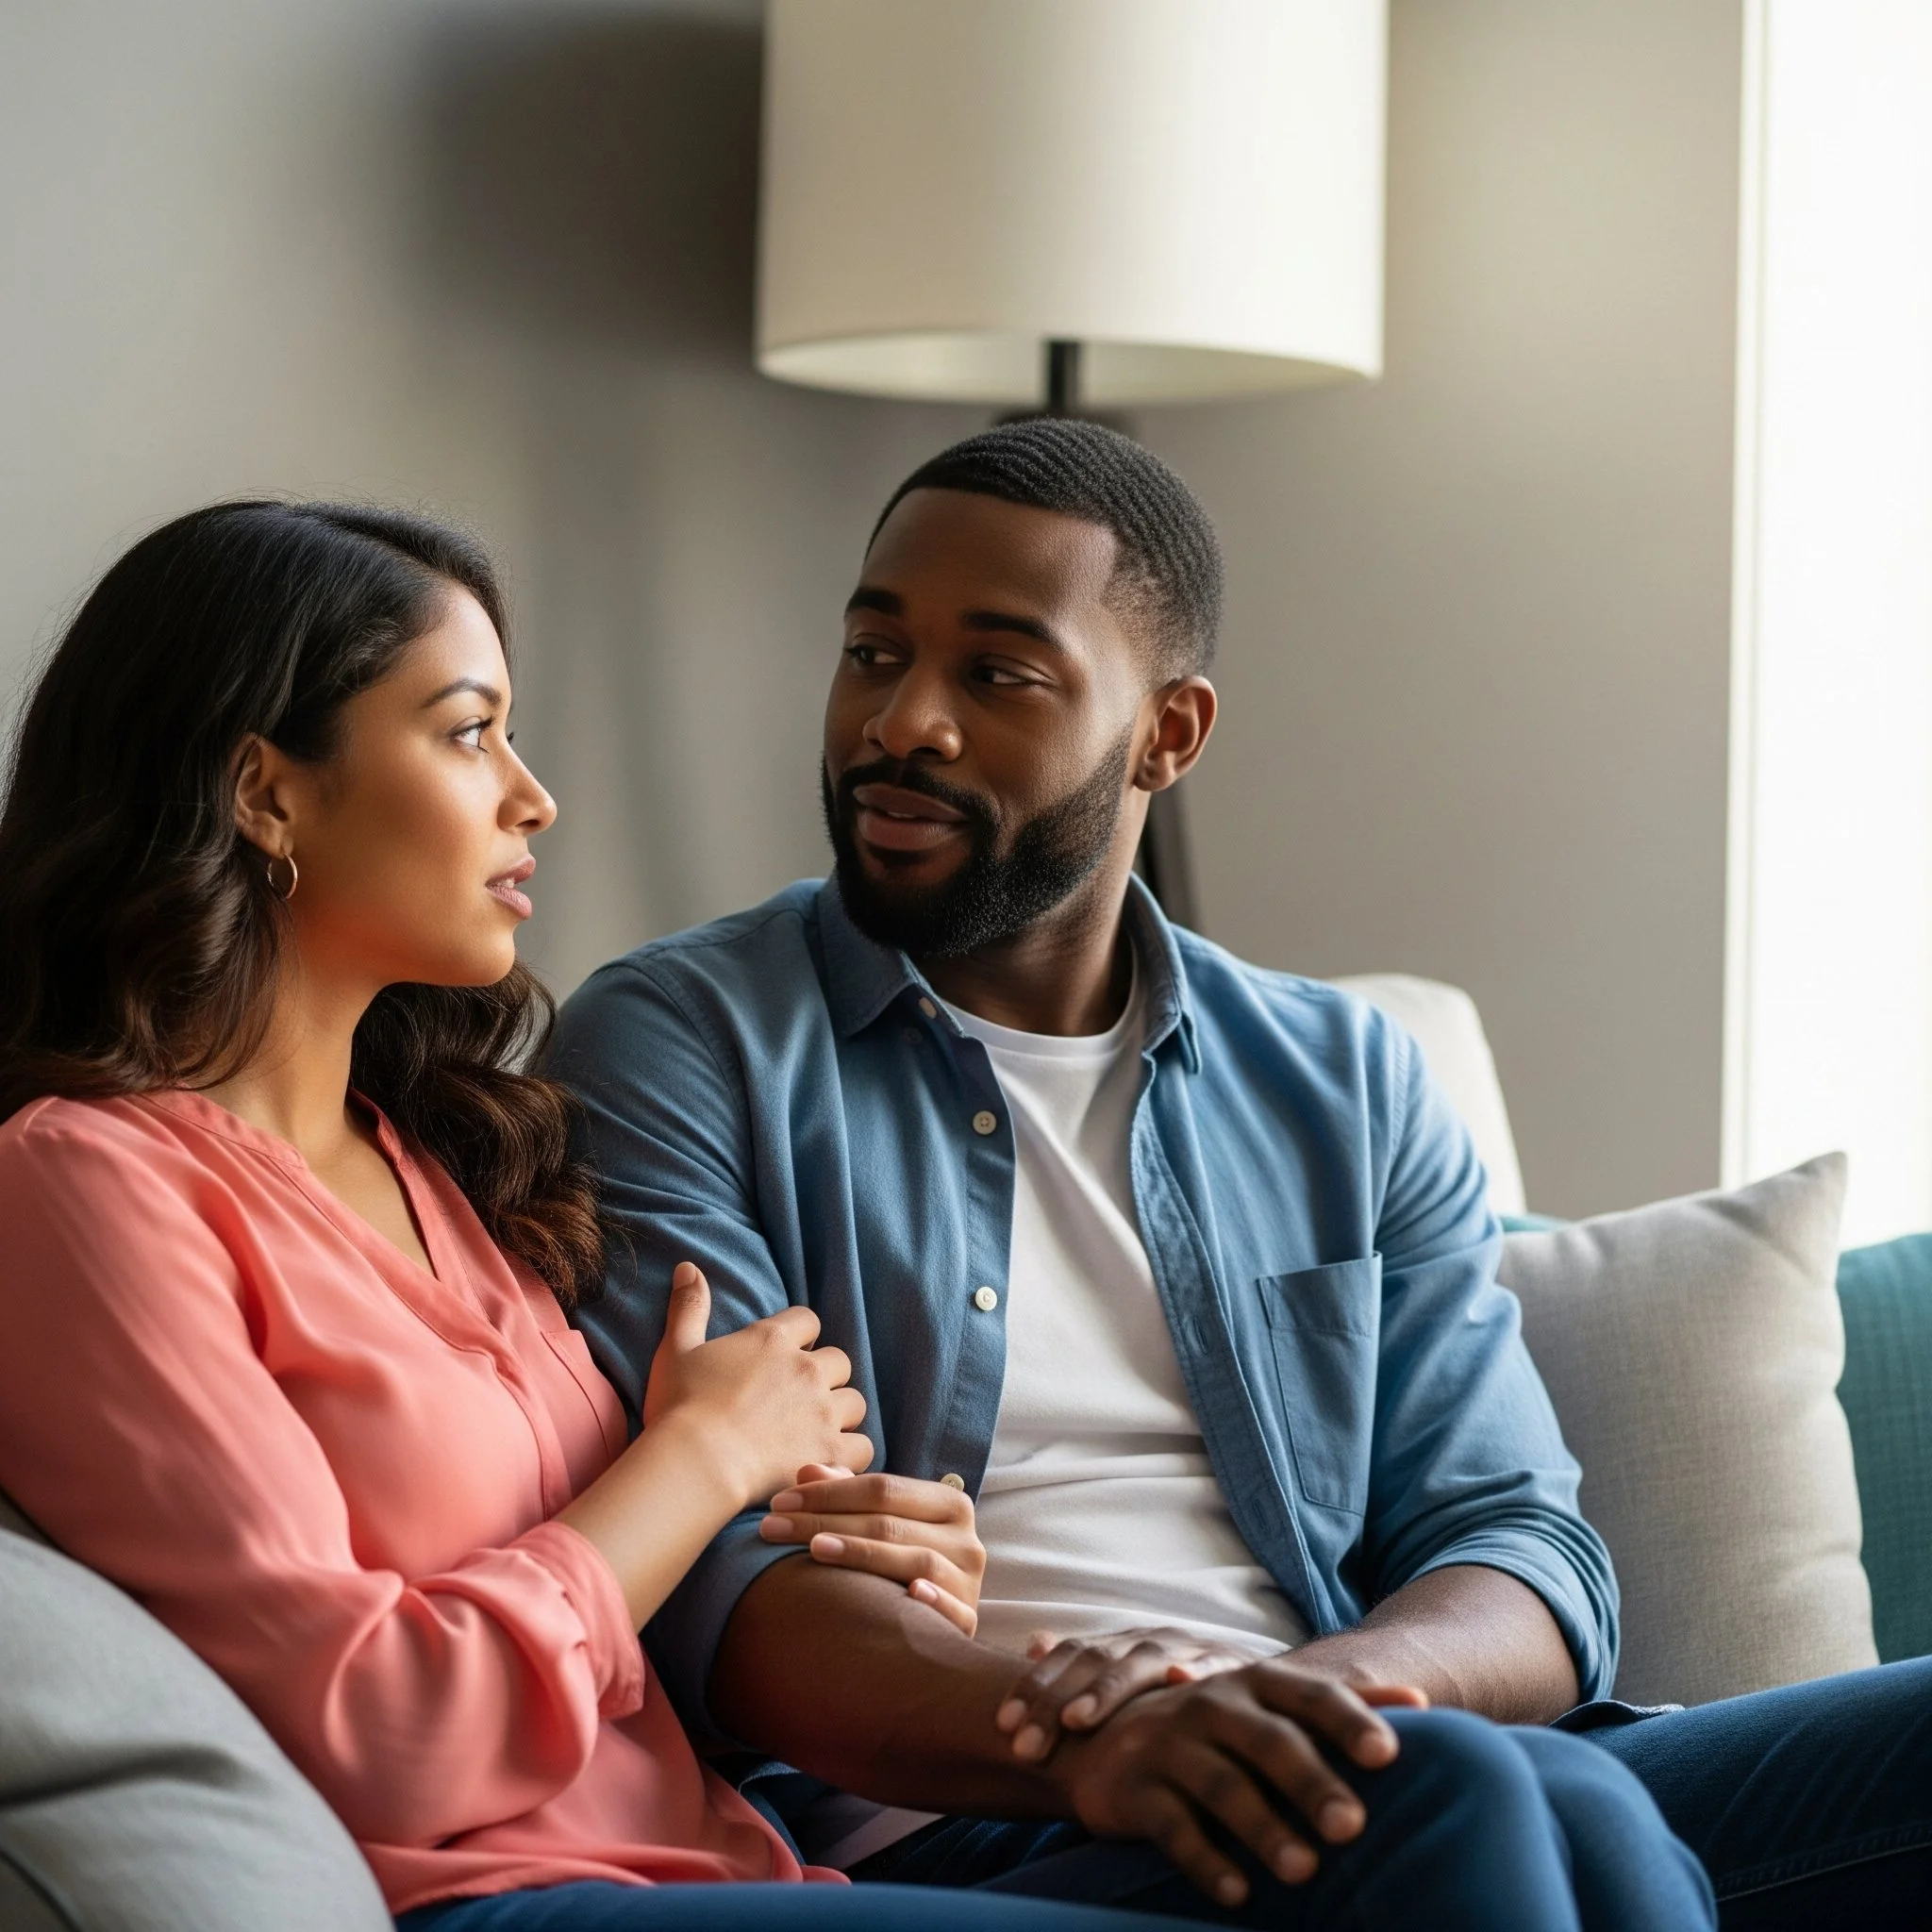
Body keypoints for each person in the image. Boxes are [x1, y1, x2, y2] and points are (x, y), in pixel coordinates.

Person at [550, 418, 1932, 1931]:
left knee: (1625, 1780)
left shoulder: (1345, 1079)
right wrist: (1121, 1734)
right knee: (1499, 1803)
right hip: (988, 1815)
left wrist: (1299, 1709)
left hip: (1370, 1745)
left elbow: (1522, 1551)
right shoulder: (686, 1041)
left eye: (998, 673)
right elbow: (732, 1593)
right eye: (874, 654)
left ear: (1169, 734)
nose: (904, 723)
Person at [0, 499, 1266, 1932]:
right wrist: (701, 1455)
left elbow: (616, 1637)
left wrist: (860, 1566)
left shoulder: (437, 1163)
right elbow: (378, 1729)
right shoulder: (86, 1187)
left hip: (739, 1868)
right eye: (469, 733)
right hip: (496, 1901)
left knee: (1431, 1806)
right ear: (267, 795)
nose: (532, 797)